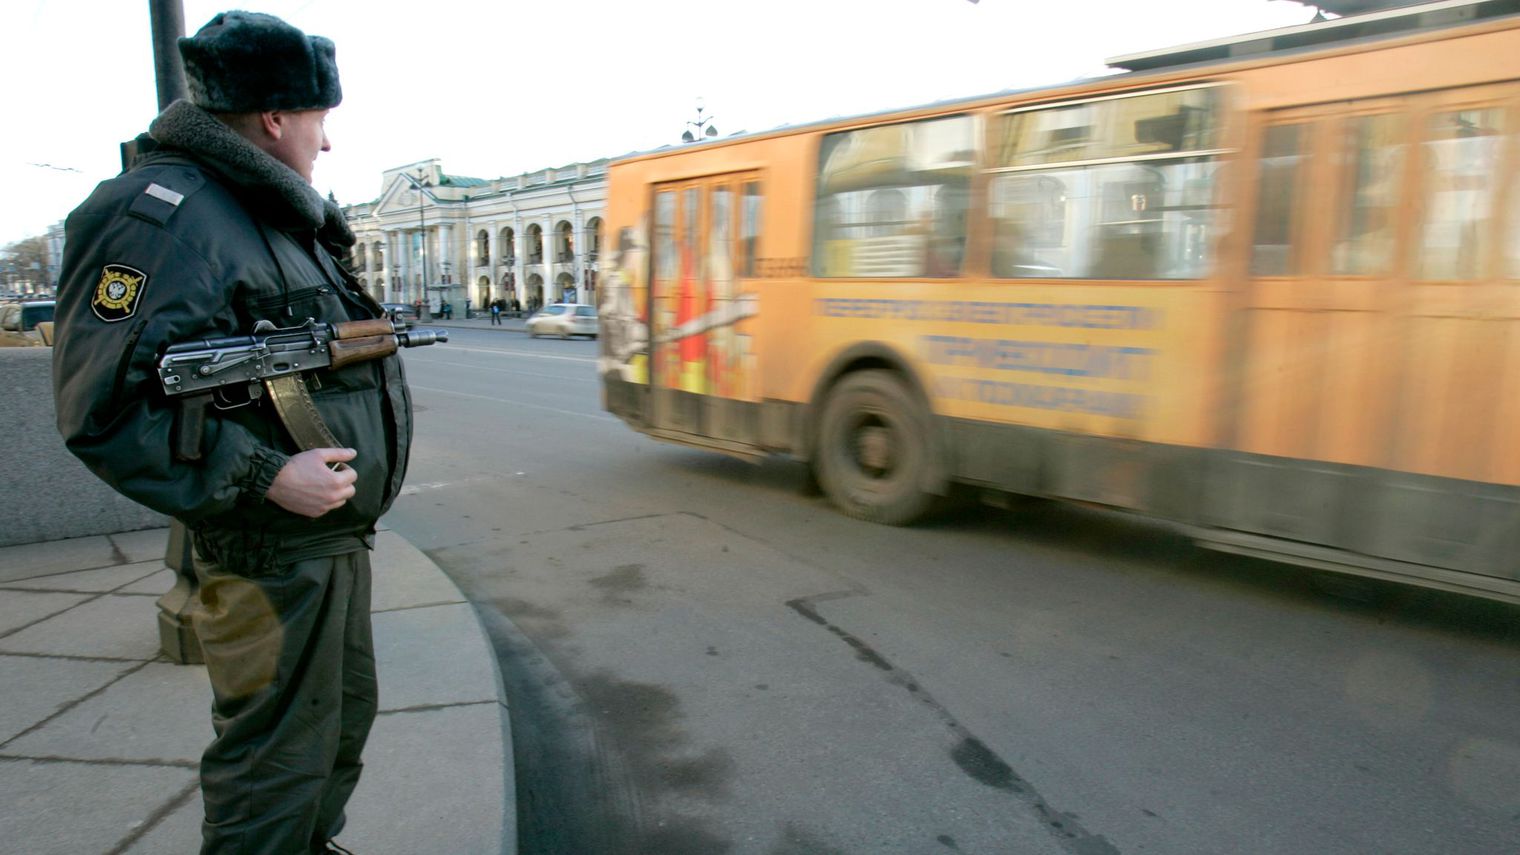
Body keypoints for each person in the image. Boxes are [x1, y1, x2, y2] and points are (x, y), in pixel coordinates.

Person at [51, 11, 411, 855]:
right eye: (321, 119)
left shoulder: (259, 212)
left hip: (323, 546)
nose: (327, 145)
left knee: (332, 736)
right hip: (266, 552)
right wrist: (263, 477)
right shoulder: (159, 216)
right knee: (272, 767)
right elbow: (100, 410)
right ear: (276, 116)